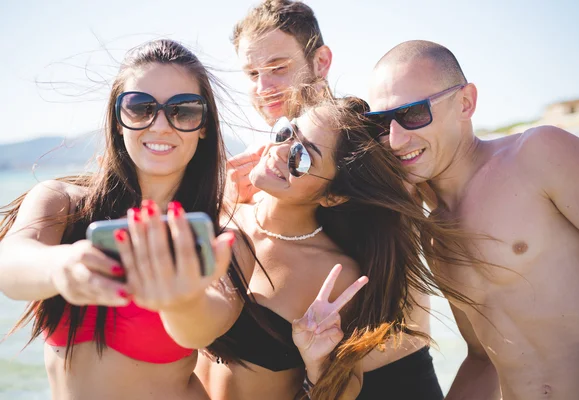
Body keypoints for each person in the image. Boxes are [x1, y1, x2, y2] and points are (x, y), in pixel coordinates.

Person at [226, 2, 443, 398]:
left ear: (321, 60)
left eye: (278, 67)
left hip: (396, 376)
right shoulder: (269, 165)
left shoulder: (372, 146)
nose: (264, 87)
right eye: (252, 73)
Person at [0, 39, 236, 400]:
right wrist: (62, 265)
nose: (160, 125)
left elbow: (201, 329)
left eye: (184, 110)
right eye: (140, 107)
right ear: (118, 118)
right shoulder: (62, 203)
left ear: (204, 124)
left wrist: (179, 300)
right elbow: (10, 266)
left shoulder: (215, 236)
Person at [197, 95, 473, 400]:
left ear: (333, 196)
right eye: (286, 133)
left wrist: (318, 362)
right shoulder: (220, 214)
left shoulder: (336, 274)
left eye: (302, 158)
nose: (280, 151)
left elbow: (345, 388)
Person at [367, 40, 579, 400]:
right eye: (382, 123)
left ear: (465, 102)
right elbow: (482, 360)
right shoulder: (434, 235)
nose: (395, 139)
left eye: (413, 113)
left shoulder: (538, 155)